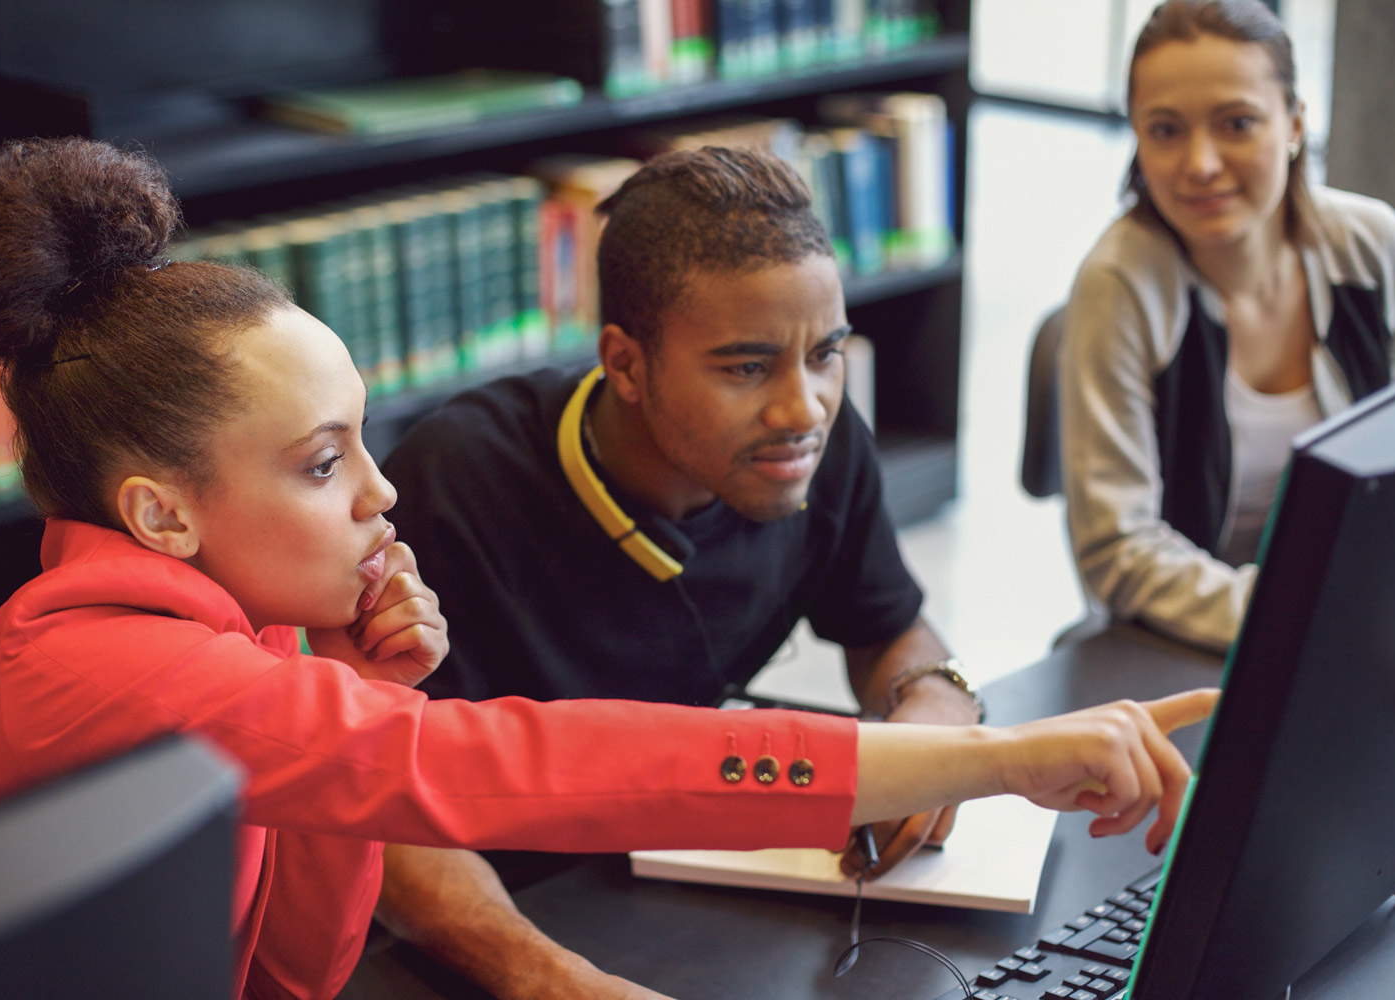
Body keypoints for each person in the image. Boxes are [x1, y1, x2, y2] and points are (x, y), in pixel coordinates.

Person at [0, 136, 1215, 1000]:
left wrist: (364, 695)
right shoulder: (98, 661)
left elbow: (287, 976)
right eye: (322, 464)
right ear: (162, 513)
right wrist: (996, 759)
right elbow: (525, 764)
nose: (382, 489)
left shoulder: (231, 642)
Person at [372, 147, 1029, 998]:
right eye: (748, 367)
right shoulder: (457, 481)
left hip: (685, 880)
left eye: (825, 354)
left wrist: (936, 703)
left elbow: (887, 626)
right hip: (505, 914)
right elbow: (380, 806)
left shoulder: (813, 447)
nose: (805, 409)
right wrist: (549, 980)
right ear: (626, 365)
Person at [1060, 0, 1395, 652]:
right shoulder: (1120, 285)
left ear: (1296, 122)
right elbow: (1117, 549)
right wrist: (1292, 613)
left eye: (1237, 124)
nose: (1201, 163)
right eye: (1165, 131)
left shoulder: (1372, 247)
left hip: (1355, 624)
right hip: (1184, 644)